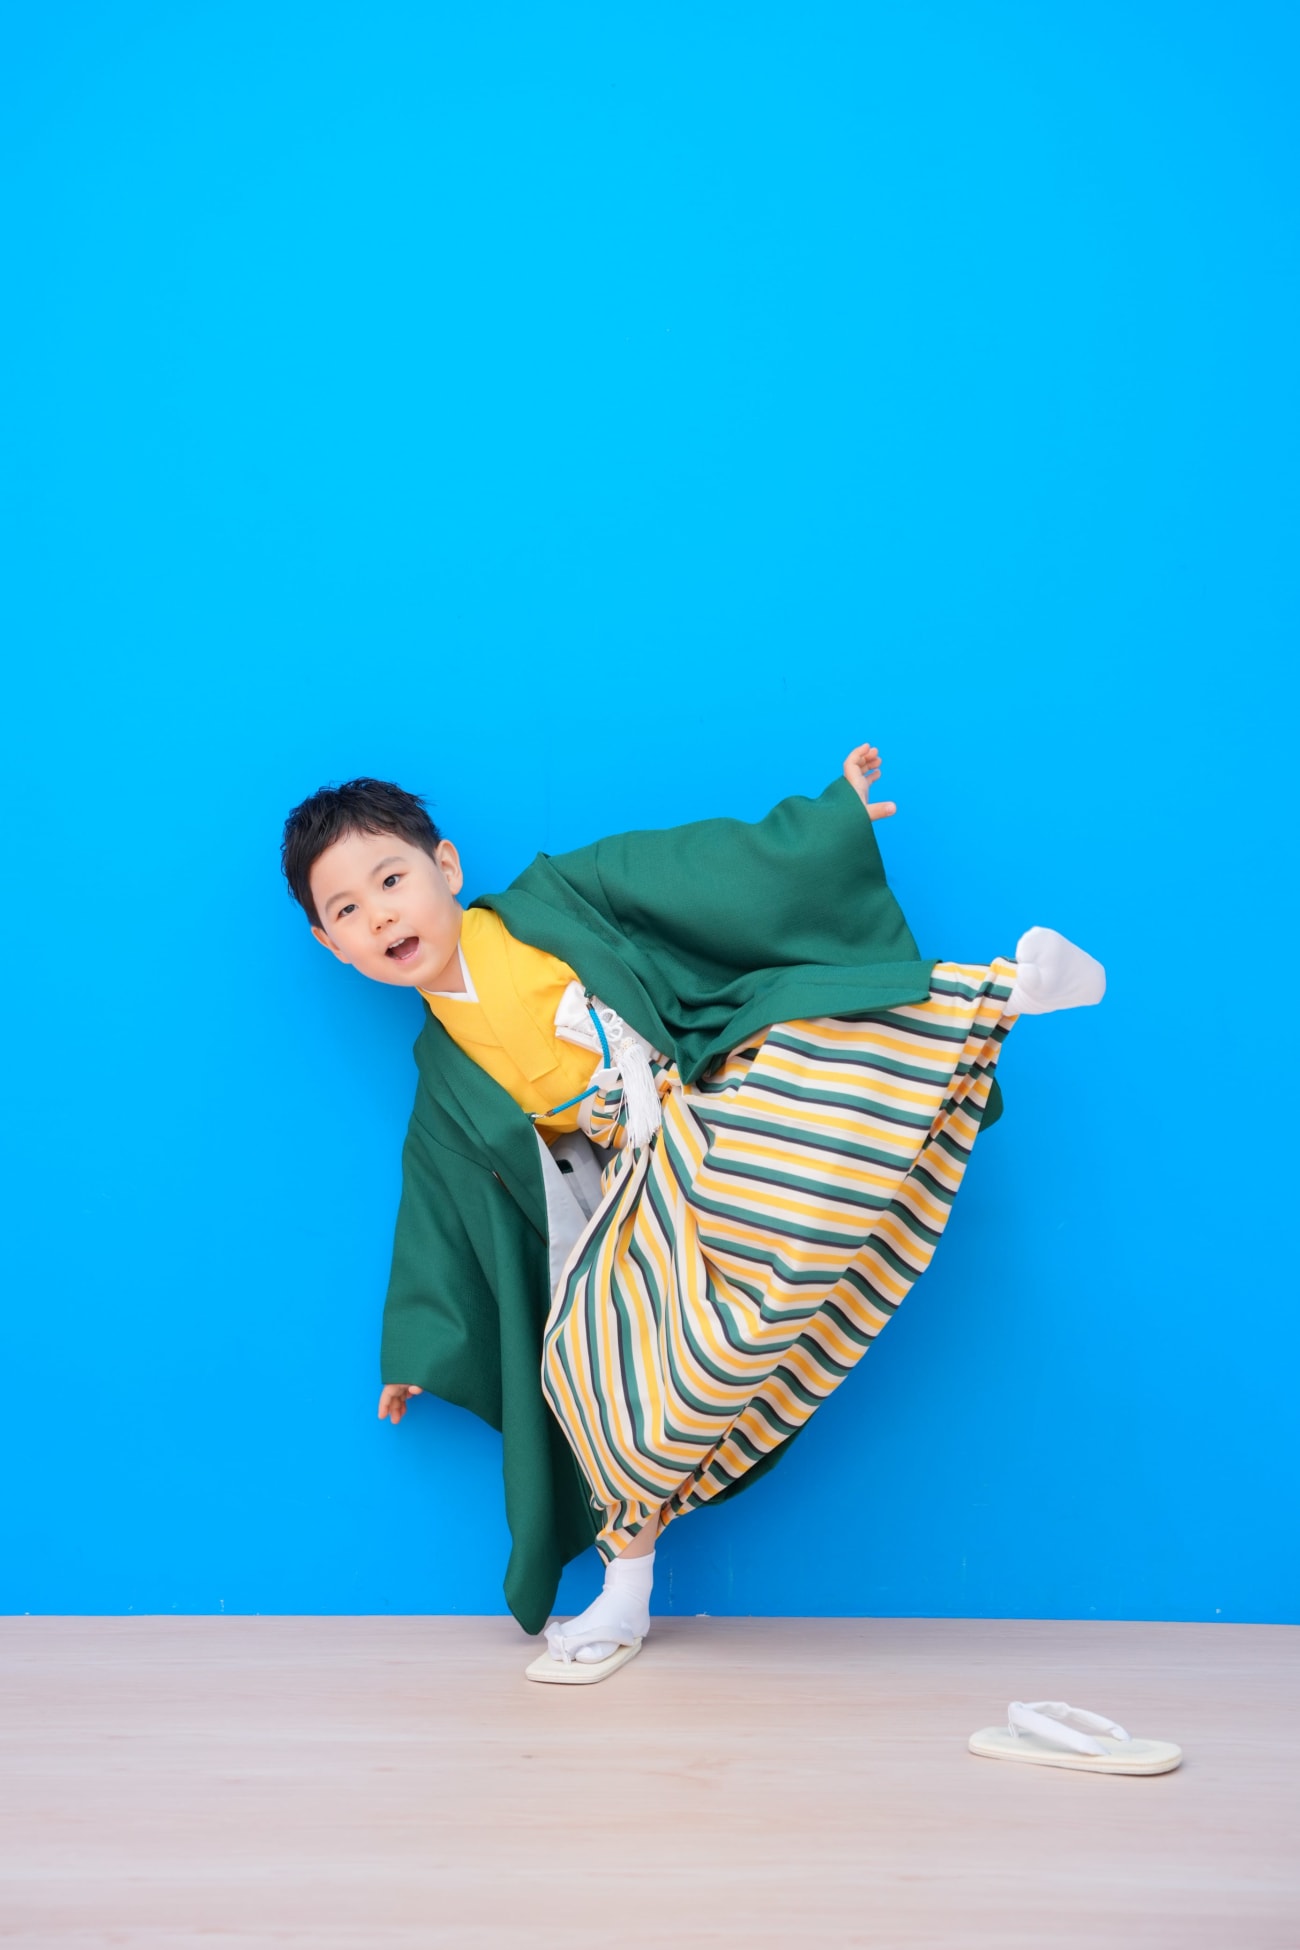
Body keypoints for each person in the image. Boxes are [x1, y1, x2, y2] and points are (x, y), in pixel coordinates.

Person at [281, 744, 1104, 1682]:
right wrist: (420, 1349)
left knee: (803, 1056)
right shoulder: (442, 1071)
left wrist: (825, 827)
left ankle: (1005, 992)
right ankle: (626, 1596)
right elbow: (435, 1203)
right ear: (331, 945)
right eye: (347, 910)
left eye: (392, 880)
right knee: (593, 1375)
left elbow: (688, 870)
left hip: (697, 1103)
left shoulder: (553, 900)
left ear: (448, 867)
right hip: (633, 1195)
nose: (381, 914)